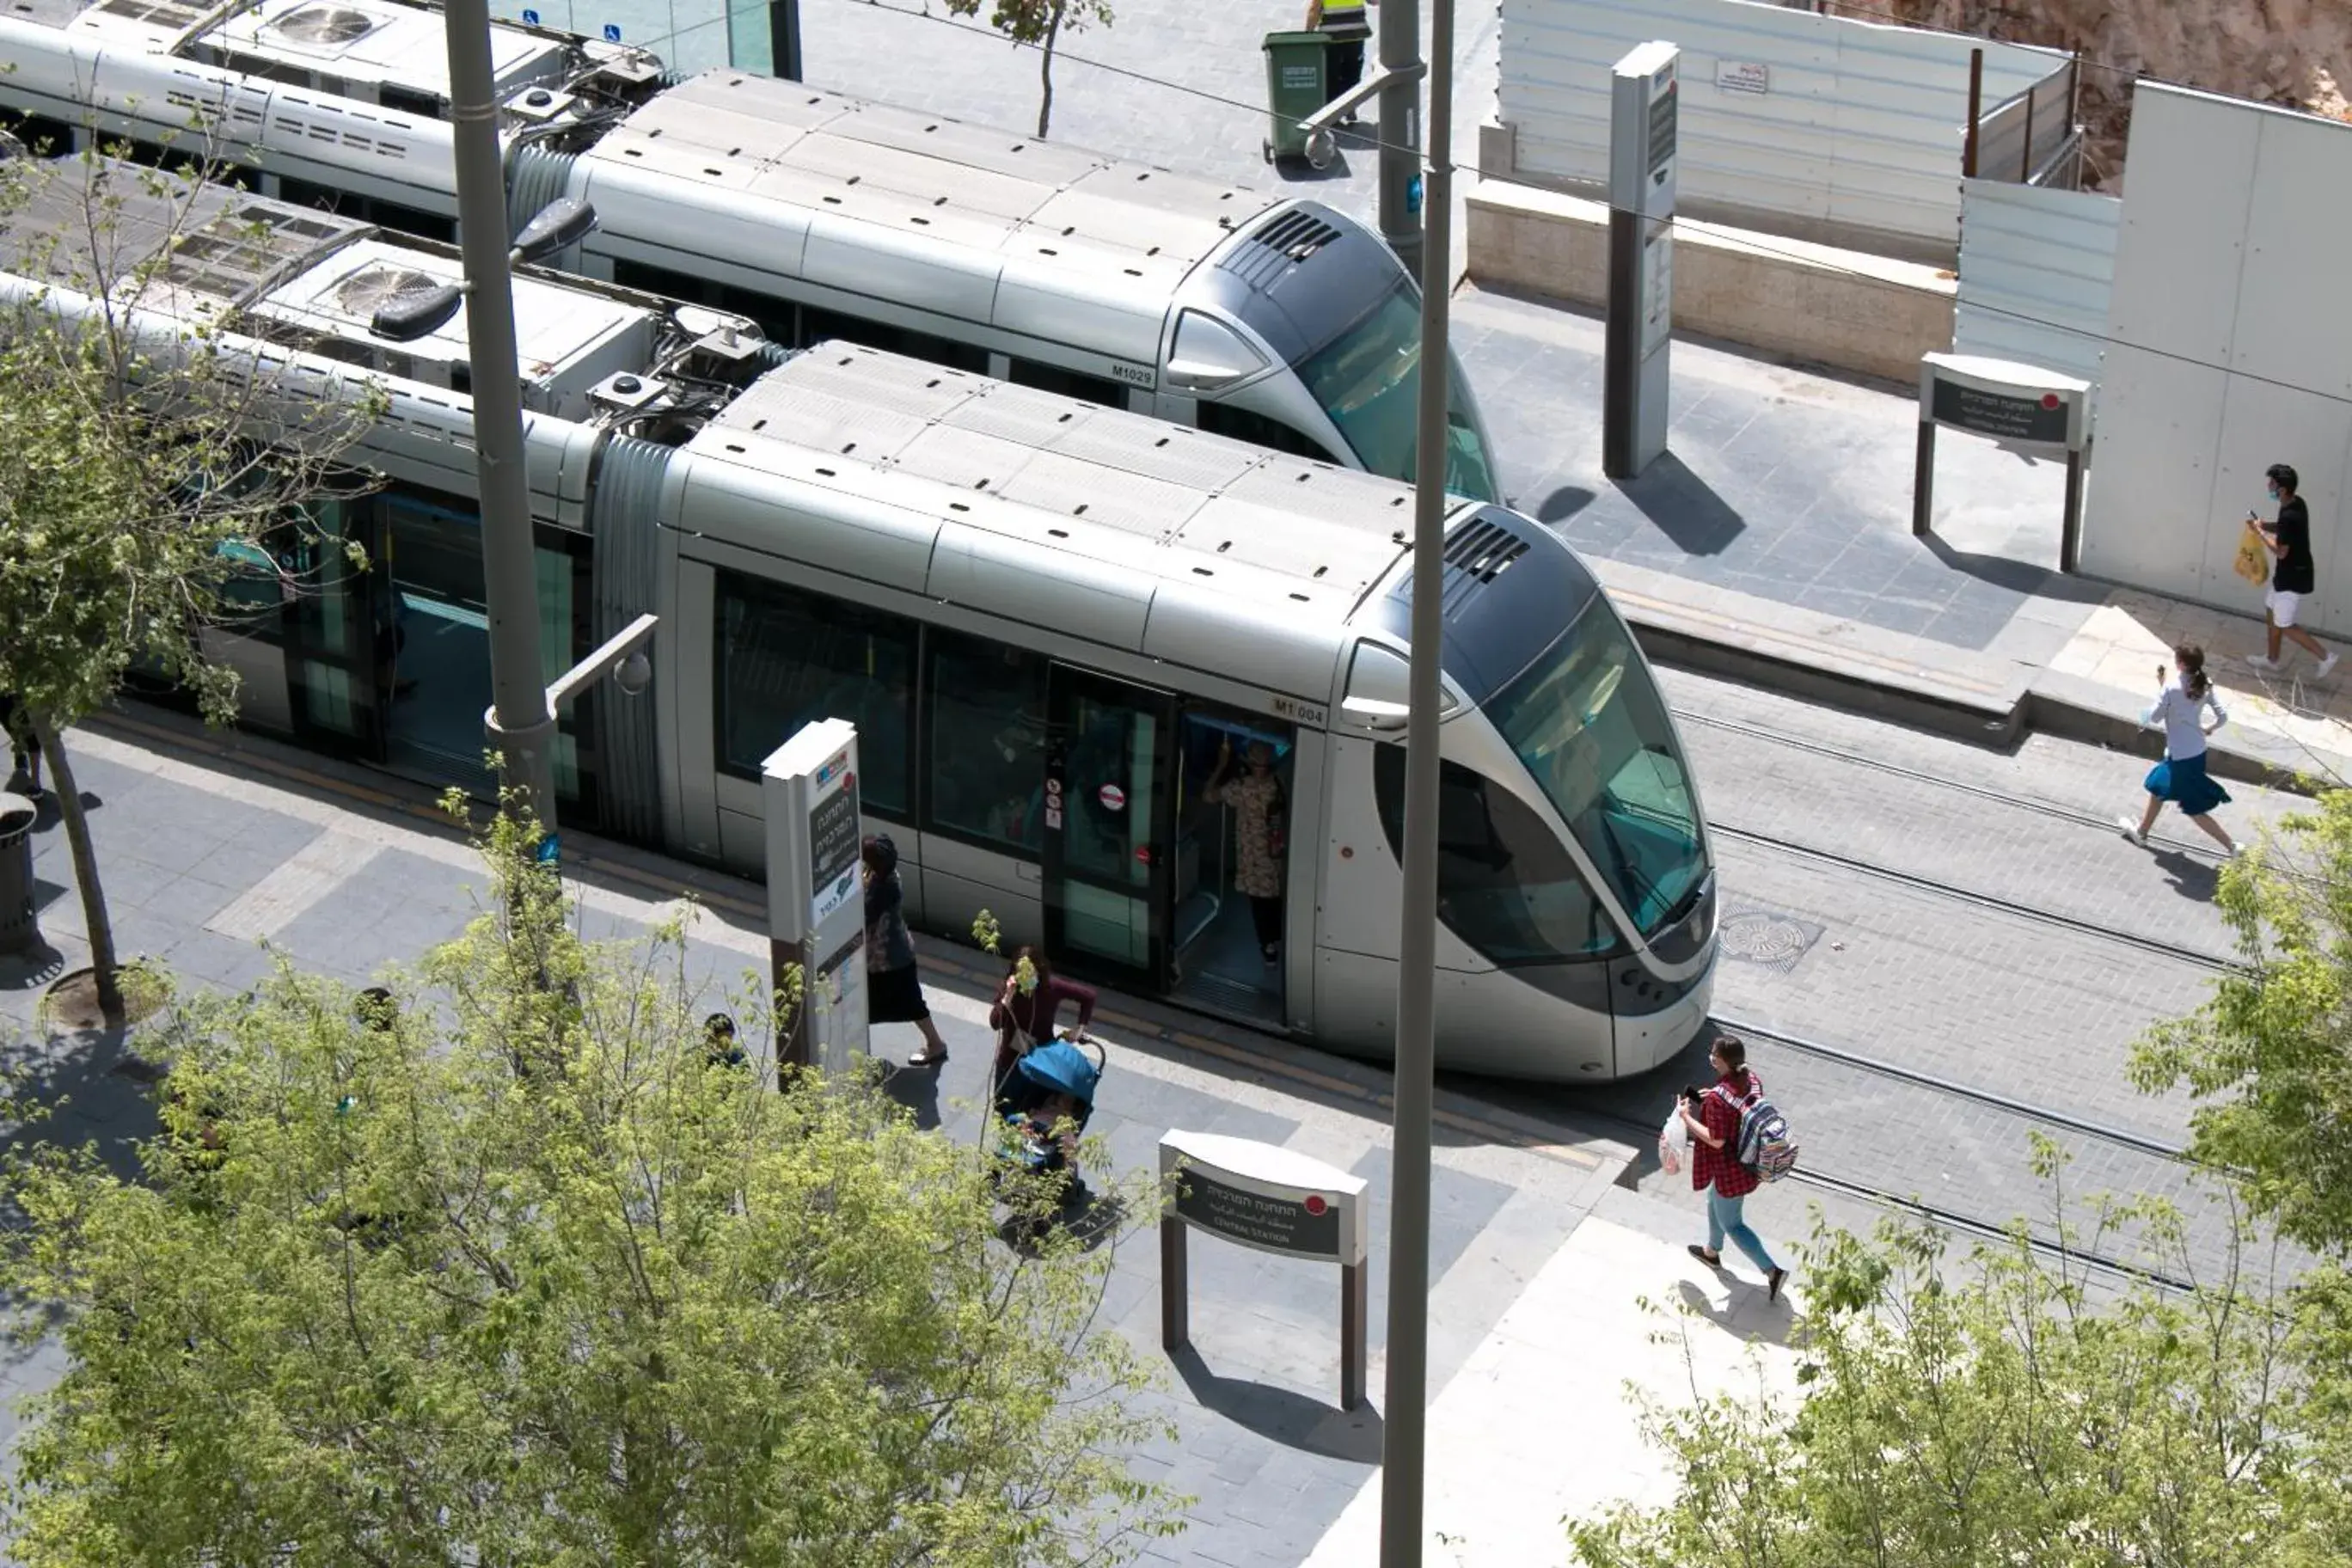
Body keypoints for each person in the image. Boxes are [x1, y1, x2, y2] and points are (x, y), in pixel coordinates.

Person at [1675, 1034, 1787, 1303]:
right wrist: (1712, 1097)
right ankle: (1712, 1252)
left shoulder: (1718, 1099)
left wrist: (1686, 1117)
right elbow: (1739, 1108)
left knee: (1733, 1223)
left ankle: (1772, 1271)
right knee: (1713, 1200)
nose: (1711, 1056)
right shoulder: (1752, 1079)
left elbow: (1716, 1139)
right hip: (1749, 1160)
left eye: (1713, 1053)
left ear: (1719, 1060)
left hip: (1731, 1169)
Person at [2118, 643, 2237, 856]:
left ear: (2181, 664)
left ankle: (2232, 847)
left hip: (2180, 756)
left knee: (2193, 808)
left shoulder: (2171, 689)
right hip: (2196, 751)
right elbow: (2223, 717)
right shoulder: (2206, 684)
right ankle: (2142, 831)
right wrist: (2208, 729)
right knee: (2157, 789)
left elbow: (2154, 716)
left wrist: (2159, 693)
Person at [863, 834, 952, 1069]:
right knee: (908, 1002)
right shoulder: (888, 875)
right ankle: (935, 1044)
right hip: (893, 954)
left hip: (887, 959)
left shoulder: (884, 889)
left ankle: (935, 1045)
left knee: (893, 1003)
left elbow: (864, 916)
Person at [2245, 462, 2337, 677]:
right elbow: (2284, 528)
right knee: (2270, 609)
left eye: (2272, 483)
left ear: (2283, 489)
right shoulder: (2295, 503)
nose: (2269, 486)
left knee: (2284, 624)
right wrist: (2264, 525)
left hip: (2294, 577)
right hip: (2287, 574)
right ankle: (2272, 659)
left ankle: (2326, 657)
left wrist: (2260, 534)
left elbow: (2281, 551)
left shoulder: (2290, 514)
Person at [1204, 737, 1287, 965]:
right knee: (1275, 902)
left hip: (1251, 860)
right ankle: (1280, 941)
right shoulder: (1278, 785)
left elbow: (1209, 795)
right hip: (1276, 857)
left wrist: (1221, 765)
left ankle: (1269, 949)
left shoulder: (1240, 788)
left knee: (1259, 906)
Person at [988, 946, 1097, 1093]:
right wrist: (1007, 998)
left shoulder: (1052, 987)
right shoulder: (1011, 990)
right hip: (1011, 1062)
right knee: (1003, 1108)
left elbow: (1088, 996)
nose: (1027, 979)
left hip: (1042, 1060)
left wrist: (1080, 1027)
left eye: (1031, 973)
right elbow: (995, 1023)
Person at [1304, 0, 1375, 123]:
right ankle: (1350, 107)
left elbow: (1314, 9)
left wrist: (1308, 33)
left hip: (1331, 37)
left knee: (1331, 75)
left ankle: (1332, 112)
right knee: (1353, 73)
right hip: (1355, 34)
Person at [1, 690, 40, 798]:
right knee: (9, 724)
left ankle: (35, 782)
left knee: (29, 732)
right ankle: (20, 754)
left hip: (20, 687)